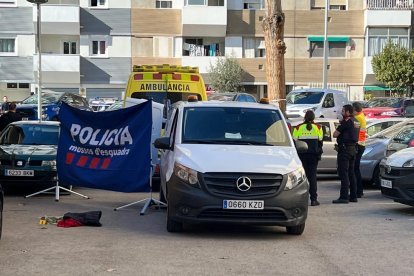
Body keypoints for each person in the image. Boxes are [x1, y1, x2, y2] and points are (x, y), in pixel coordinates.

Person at [293, 110, 323, 206]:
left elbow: (294, 141)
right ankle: (314, 199)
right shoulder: (318, 127)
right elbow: (320, 141)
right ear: (313, 117)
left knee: (302, 177)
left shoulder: (298, 127)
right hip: (314, 156)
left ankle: (301, 200)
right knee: (312, 177)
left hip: (302, 156)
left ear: (305, 117)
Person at [332, 104, 360, 204]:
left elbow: (335, 134)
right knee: (351, 173)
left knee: (343, 173)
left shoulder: (346, 121)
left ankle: (344, 197)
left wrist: (340, 126)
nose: (342, 112)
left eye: (343, 111)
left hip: (345, 150)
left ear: (348, 112)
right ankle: (353, 196)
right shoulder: (356, 121)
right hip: (353, 149)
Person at [352, 102, 367, 198]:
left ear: (355, 110)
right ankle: (359, 190)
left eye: (352, 109)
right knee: (356, 168)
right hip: (361, 144)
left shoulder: (358, 118)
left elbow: (355, 132)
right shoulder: (361, 115)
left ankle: (358, 190)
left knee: (354, 169)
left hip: (358, 145)